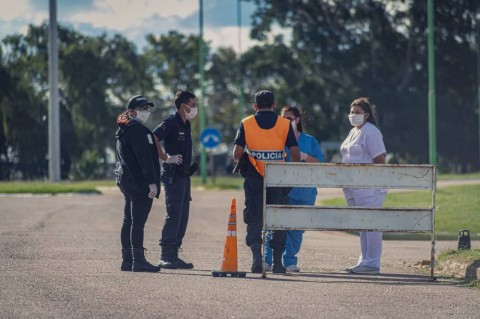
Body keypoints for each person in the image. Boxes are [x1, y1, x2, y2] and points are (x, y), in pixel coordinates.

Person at [232, 90, 301, 274]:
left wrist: (251, 157)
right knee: (278, 218)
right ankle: (278, 263)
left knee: (254, 216)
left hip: (254, 177)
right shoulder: (284, 124)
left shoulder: (246, 123)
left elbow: (236, 154)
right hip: (277, 178)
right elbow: (294, 153)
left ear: (255, 106)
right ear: (273, 106)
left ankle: (257, 258)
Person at [264, 105, 325, 272]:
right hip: (281, 190)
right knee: (274, 225)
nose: (285, 121)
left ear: (297, 120)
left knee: (296, 229)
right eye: (282, 118)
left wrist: (304, 156)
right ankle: (268, 260)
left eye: (289, 118)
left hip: (304, 192)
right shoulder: (276, 139)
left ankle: (289, 260)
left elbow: (319, 162)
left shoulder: (310, 141)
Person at [340, 97, 387, 275]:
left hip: (369, 186)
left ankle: (372, 262)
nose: (353, 115)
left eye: (357, 113)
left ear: (366, 115)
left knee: (371, 223)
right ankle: (364, 259)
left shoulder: (371, 131)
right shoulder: (354, 131)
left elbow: (380, 158)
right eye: (352, 112)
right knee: (362, 223)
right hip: (353, 186)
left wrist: (372, 179)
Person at [115, 95, 161, 272]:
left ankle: (128, 260)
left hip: (127, 181)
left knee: (129, 220)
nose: (146, 112)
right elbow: (145, 160)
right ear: (132, 111)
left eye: (148, 108)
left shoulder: (124, 129)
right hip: (139, 183)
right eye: (143, 109)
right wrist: (151, 182)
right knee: (138, 222)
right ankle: (138, 261)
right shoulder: (137, 131)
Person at [153, 90, 198, 269]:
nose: (195, 108)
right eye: (193, 105)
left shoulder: (186, 125)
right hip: (172, 176)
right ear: (183, 105)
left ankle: (174, 253)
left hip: (184, 176)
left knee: (183, 216)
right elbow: (154, 138)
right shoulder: (171, 123)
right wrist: (166, 157)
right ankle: (165, 255)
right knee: (173, 215)